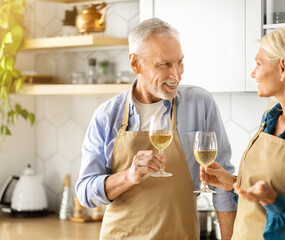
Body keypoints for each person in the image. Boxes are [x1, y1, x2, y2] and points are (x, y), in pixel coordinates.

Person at [75, 18, 237, 240]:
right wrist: (129, 176)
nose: (177, 75)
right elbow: (85, 192)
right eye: (165, 65)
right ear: (135, 64)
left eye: (179, 62)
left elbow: (224, 185)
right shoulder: (107, 116)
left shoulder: (200, 104)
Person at [200, 26, 285, 240]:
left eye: (258, 63)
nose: (253, 73)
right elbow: (257, 205)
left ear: (283, 67)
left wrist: (271, 199)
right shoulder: (270, 118)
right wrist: (231, 183)